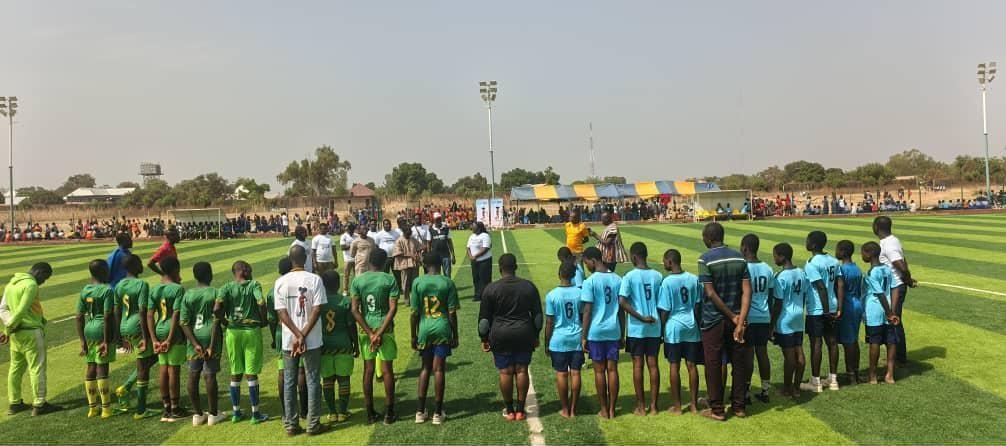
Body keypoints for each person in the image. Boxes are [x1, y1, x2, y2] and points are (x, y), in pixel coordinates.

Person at [696, 222, 752, 421]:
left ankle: (717, 409)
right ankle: (739, 407)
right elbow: (747, 291)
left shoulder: (705, 259)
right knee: (738, 363)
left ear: (709, 238)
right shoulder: (739, 256)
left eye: (703, 236)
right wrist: (740, 320)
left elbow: (710, 293)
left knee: (713, 363)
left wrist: (731, 315)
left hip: (714, 319)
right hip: (738, 319)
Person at [478, 253, 542, 422]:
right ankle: (521, 410)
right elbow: (538, 317)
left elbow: (484, 321)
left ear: (499, 268)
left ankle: (510, 410)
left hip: (500, 334)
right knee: (521, 370)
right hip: (524, 332)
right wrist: (536, 335)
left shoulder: (491, 289)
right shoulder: (528, 286)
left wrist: (484, 339)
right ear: (516, 267)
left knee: (505, 372)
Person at [274, 245, 329, 436]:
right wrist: (303, 334)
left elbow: (281, 313)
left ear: (290, 259)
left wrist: (296, 335)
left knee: (289, 381)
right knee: (313, 380)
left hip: (290, 340)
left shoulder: (280, 282)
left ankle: (291, 424)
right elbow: (317, 309)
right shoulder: (314, 279)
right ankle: (313, 425)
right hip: (311, 339)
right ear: (305, 258)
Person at [214, 261, 269, 424]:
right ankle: (255, 414)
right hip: (250, 331)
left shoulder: (225, 287)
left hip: (233, 332)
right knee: (251, 372)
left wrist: (224, 321)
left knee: (235, 371)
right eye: (249, 269)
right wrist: (264, 320)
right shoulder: (253, 285)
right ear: (243, 270)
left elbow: (216, 309)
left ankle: (236, 413)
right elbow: (261, 303)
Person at [350, 249, 400, 425]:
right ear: (384, 262)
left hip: (366, 331)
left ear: (369, 261)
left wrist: (370, 333)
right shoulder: (389, 279)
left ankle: (370, 413)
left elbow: (355, 310)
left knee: (368, 370)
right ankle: (389, 412)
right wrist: (378, 333)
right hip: (385, 329)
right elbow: (393, 308)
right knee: (387, 370)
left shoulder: (358, 280)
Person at [1, 262, 57, 416]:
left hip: (16, 335)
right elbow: (21, 310)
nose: (44, 281)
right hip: (31, 333)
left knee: (15, 368)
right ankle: (39, 404)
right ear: (40, 272)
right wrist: (9, 327)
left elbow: (3, 309)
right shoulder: (31, 285)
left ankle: (15, 403)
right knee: (37, 368)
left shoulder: (11, 284)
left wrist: (8, 328)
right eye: (45, 277)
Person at [410, 252, 460, 425]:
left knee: (425, 368)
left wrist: (413, 335)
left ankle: (420, 410)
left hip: (424, 328)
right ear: (440, 264)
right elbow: (452, 313)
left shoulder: (417, 282)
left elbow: (414, 314)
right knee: (438, 369)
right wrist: (455, 335)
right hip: (442, 328)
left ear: (424, 264)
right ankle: (438, 413)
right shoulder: (447, 282)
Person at [618, 242, 662, 416]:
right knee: (653, 365)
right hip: (655, 326)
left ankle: (641, 406)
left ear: (635, 257)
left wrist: (640, 317)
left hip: (637, 329)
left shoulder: (629, 276)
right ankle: (654, 406)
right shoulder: (658, 276)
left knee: (638, 365)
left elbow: (622, 302)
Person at [179, 261, 226, 426]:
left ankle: (198, 415)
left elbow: (183, 322)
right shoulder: (215, 293)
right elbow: (216, 319)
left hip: (193, 338)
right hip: (211, 337)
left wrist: (195, 344)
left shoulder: (188, 295)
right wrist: (211, 346)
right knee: (209, 375)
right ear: (210, 275)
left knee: (193, 374)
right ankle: (213, 414)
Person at [657, 249, 702, 415]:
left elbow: (665, 310)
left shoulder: (667, 282)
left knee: (674, 366)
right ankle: (694, 405)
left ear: (670, 262)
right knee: (692, 366)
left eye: (664, 261)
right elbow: (698, 306)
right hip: (691, 326)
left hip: (674, 327)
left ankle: (677, 406)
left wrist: (661, 330)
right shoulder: (693, 279)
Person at [580, 247, 623, 419]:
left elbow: (587, 311)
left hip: (596, 332)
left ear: (593, 260)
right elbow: (621, 310)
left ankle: (604, 409)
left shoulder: (590, 282)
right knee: (612, 370)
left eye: (586, 263)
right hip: (614, 330)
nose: (587, 266)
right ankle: (613, 409)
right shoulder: (618, 279)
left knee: (599, 371)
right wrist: (622, 333)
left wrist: (583, 336)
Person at [113, 254, 157, 419]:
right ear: (134, 266)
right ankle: (141, 408)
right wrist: (146, 337)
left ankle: (126, 387)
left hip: (125, 326)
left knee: (152, 357)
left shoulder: (119, 285)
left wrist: (120, 337)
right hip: (138, 327)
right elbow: (142, 311)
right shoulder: (141, 284)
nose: (142, 265)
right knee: (143, 366)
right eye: (139, 262)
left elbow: (117, 312)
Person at [802, 230, 845, 393]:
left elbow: (820, 287)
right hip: (833, 306)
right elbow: (840, 284)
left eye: (807, 240)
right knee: (833, 342)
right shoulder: (834, 261)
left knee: (816, 343)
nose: (805, 242)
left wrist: (826, 311)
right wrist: (839, 307)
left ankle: (816, 382)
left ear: (813, 244)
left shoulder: (812, 263)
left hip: (818, 309)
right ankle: (833, 380)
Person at [266, 257, 308, 420]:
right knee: (301, 371)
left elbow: (271, 318)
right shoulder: (300, 285)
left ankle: (286, 411)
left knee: (283, 372)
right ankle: (304, 410)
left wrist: (273, 337)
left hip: (281, 333)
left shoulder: (273, 290)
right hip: (300, 331)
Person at [146, 256, 186, 422]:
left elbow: (149, 315)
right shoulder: (178, 289)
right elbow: (176, 315)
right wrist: (170, 338)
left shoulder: (155, 290)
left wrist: (154, 339)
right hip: (173, 332)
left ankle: (166, 407)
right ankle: (175, 409)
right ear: (176, 269)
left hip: (159, 329)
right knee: (173, 370)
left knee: (163, 368)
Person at [77, 260, 117, 419]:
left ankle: (92, 408)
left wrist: (82, 339)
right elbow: (108, 316)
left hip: (89, 330)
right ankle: (106, 409)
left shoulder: (85, 291)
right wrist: (107, 341)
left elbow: (79, 317)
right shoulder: (107, 291)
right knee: (102, 369)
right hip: (102, 330)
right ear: (103, 272)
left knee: (91, 367)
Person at [543, 261, 584, 419]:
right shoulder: (580, 293)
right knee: (576, 373)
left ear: (559, 274)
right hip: (576, 338)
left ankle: (565, 409)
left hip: (558, 340)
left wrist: (547, 344)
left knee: (561, 374)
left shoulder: (552, 295)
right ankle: (574, 408)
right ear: (574, 275)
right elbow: (582, 316)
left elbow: (550, 322)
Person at [873, 216, 915, 365]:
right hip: (896, 285)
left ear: (877, 227)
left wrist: (907, 279)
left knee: (894, 320)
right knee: (894, 319)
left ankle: (899, 357)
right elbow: (903, 261)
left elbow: (900, 264)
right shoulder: (893, 240)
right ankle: (897, 354)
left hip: (896, 286)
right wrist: (907, 279)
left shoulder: (888, 244)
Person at [740, 234, 775, 403]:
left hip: (748, 317)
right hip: (764, 315)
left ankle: (745, 392)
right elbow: (770, 297)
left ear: (745, 248)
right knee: (762, 353)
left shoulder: (742, 267)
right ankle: (766, 390)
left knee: (748, 354)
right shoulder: (768, 268)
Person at [770, 243, 809, 398]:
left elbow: (778, 304)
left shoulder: (780, 277)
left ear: (782, 257)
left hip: (785, 318)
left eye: (775, 256)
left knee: (789, 356)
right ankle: (797, 387)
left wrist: (771, 326)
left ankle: (787, 388)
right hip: (799, 315)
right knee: (799, 350)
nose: (774, 259)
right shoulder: (801, 272)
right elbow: (805, 295)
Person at [319, 270, 357, 424]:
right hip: (344, 345)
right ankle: (342, 412)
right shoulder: (345, 301)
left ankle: (332, 412)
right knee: (343, 379)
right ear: (338, 284)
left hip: (324, 346)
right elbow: (351, 325)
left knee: (327, 380)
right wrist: (356, 344)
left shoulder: (319, 303)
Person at [860, 242, 901, 384]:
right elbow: (895, 288)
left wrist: (889, 313)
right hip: (889, 307)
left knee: (875, 341)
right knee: (891, 341)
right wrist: (893, 310)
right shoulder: (887, 269)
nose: (862, 255)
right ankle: (890, 374)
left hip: (875, 310)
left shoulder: (872, 273)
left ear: (869, 254)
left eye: (863, 253)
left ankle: (872, 375)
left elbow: (879, 294)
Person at [836, 240, 864, 384]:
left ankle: (851, 375)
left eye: (837, 250)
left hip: (847, 306)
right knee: (854, 340)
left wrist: (839, 308)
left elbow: (840, 289)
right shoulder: (857, 268)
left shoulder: (842, 270)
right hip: (857, 304)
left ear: (843, 252)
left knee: (848, 342)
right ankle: (856, 372)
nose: (836, 253)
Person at [393, 226, 423, 303]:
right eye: (407, 233)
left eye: (410, 233)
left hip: (414, 264)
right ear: (403, 232)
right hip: (405, 264)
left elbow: (419, 247)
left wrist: (419, 252)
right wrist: (410, 255)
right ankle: (407, 299)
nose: (409, 234)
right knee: (405, 283)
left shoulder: (413, 239)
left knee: (415, 282)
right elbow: (397, 253)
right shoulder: (399, 240)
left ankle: (415, 299)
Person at [467, 222, 493, 302]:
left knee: (484, 279)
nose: (472, 227)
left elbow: (485, 248)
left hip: (484, 261)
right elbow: (468, 247)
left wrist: (475, 256)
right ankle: (477, 295)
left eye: (473, 226)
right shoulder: (471, 236)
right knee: (476, 278)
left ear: (478, 228)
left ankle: (486, 296)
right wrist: (470, 256)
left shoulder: (485, 236)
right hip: (474, 261)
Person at [340, 224, 358, 294]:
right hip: (347, 259)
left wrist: (350, 246)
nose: (350, 232)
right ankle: (345, 290)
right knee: (346, 275)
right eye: (349, 230)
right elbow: (342, 247)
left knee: (357, 275)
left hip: (356, 259)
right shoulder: (343, 236)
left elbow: (359, 246)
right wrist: (352, 245)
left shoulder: (356, 236)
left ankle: (356, 289)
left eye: (352, 230)